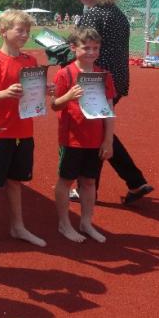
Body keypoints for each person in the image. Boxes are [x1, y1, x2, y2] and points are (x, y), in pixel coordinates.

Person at [73, 0, 153, 204]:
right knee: (101, 131)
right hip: (117, 78)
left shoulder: (93, 14)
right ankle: (135, 181)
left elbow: (82, 47)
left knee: (95, 133)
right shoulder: (117, 13)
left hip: (96, 79)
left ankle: (89, 188)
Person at [0, 9, 46, 251]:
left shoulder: (30, 61)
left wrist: (45, 90)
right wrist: (4, 93)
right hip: (0, 133)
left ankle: (18, 226)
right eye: (20, 30)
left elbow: (33, 94)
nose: (25, 35)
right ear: (3, 31)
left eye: (27, 30)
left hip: (24, 133)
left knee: (16, 182)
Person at [51, 27, 115, 243]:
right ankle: (64, 223)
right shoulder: (65, 74)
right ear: (73, 48)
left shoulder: (104, 75)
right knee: (66, 180)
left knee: (89, 182)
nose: (91, 52)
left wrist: (108, 140)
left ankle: (86, 222)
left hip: (95, 139)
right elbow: (54, 105)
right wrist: (68, 96)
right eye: (86, 48)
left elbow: (109, 109)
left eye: (95, 48)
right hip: (71, 139)